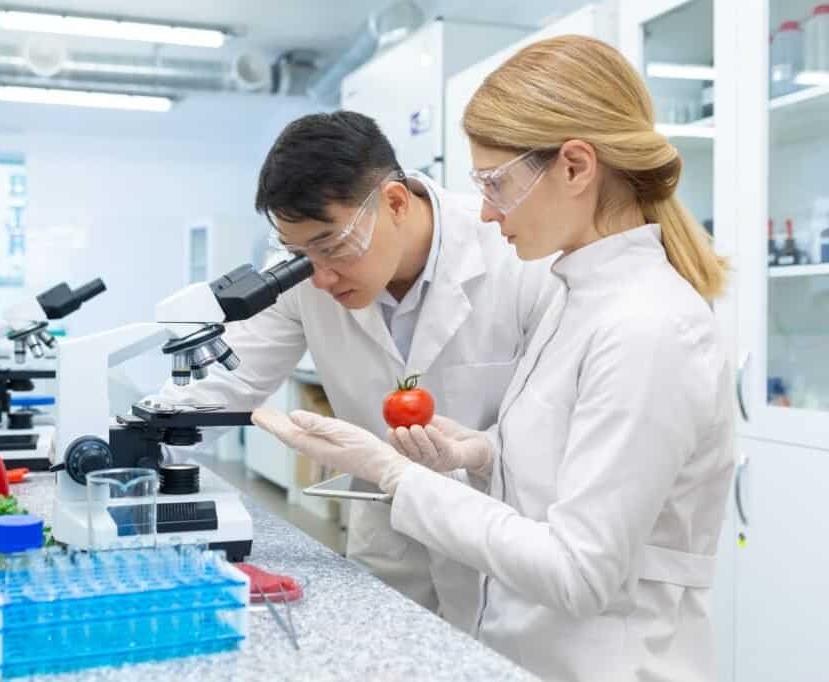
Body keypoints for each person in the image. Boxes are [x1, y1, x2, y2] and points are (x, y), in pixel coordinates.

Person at [253, 35, 734, 682]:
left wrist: (395, 476)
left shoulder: (651, 327)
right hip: (521, 651)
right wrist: (475, 452)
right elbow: (562, 456)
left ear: (575, 167)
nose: (482, 210)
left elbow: (579, 570)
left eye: (497, 183)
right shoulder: (579, 296)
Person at [158, 110, 558, 631]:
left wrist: (472, 452)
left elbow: (552, 435)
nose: (318, 276)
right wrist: (132, 453)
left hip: (501, 547)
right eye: (300, 254)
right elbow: (222, 384)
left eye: (331, 248)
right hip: (389, 537)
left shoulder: (512, 252)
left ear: (393, 203)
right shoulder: (304, 272)